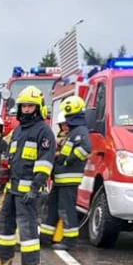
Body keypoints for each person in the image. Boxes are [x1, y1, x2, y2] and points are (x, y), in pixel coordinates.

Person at [0, 85, 54, 265]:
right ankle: (4, 261)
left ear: (38, 107)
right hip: (12, 190)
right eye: (23, 106)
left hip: (29, 192)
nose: (25, 110)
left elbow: (44, 163)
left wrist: (35, 188)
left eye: (30, 106)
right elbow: (8, 160)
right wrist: (0, 183)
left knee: (28, 230)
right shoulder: (17, 132)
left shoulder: (44, 132)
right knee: (5, 226)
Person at [41, 95, 89, 251]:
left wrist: (67, 160)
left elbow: (85, 150)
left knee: (66, 209)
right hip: (60, 179)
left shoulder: (80, 131)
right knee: (52, 207)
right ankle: (45, 237)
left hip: (69, 179)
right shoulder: (73, 132)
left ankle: (69, 241)